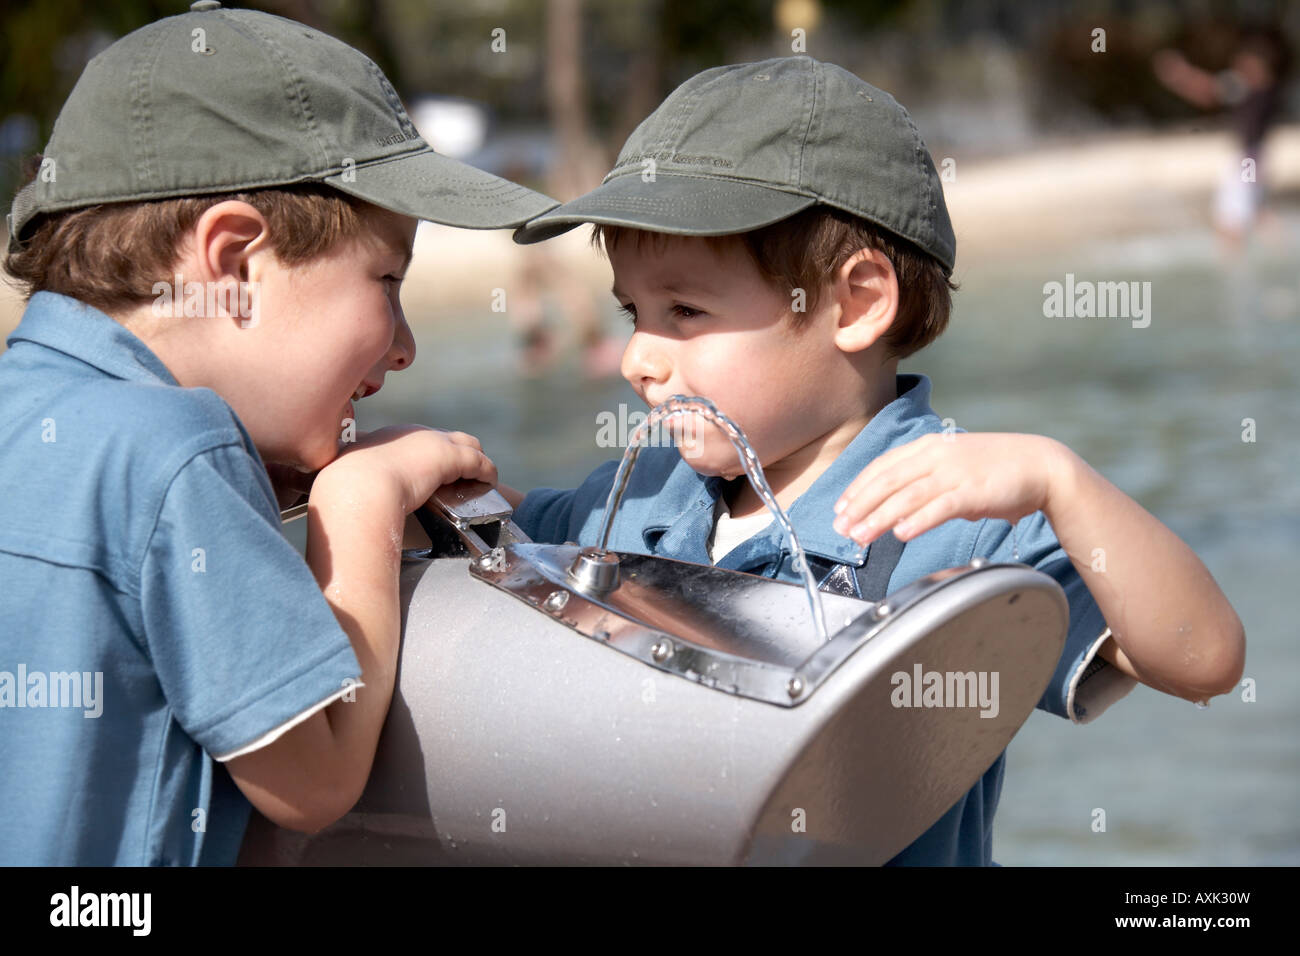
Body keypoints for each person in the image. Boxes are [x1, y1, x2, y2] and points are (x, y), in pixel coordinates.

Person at [506, 56, 1245, 864]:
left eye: (684, 310)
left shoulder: (955, 524)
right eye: (632, 311)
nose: (636, 358)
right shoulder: (643, 497)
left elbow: (1201, 659)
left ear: (856, 304)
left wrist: (1064, 483)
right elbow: (498, 553)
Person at [0, 2, 555, 865]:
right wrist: (361, 507)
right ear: (232, 262)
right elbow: (313, 784)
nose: (405, 348)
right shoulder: (179, 451)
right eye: (387, 279)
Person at [1152, 26, 1292, 250]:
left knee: (1230, 220)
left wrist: (1180, 74)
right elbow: (1211, 90)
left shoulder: (1251, 88)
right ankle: (1281, 254)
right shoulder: (1266, 90)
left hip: (1248, 160)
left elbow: (1208, 90)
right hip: (1255, 158)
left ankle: (1237, 265)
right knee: (1255, 213)